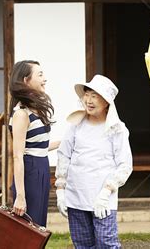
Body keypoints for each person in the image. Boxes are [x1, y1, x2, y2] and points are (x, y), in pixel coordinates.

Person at [55, 75, 133, 248]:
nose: (88, 100)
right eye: (87, 95)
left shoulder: (117, 129)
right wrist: (61, 189)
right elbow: (64, 155)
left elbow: (125, 165)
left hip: (102, 199)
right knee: (82, 244)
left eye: (94, 96)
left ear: (106, 102)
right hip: (76, 196)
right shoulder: (75, 125)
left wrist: (106, 192)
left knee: (107, 243)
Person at [9, 60, 59, 227]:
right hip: (30, 172)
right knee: (30, 228)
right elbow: (18, 155)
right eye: (40, 74)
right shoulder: (21, 114)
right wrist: (20, 195)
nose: (45, 79)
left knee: (38, 227)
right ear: (26, 81)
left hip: (41, 167)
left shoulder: (35, 110)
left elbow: (39, 147)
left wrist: (66, 141)